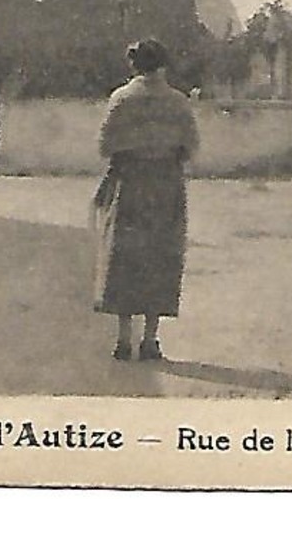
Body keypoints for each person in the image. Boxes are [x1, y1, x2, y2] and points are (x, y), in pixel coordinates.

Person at [93, 38, 199, 362]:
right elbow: (191, 146)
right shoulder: (179, 103)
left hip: (131, 183)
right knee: (160, 257)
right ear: (163, 65)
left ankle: (124, 340)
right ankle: (150, 340)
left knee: (125, 257)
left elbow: (105, 145)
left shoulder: (122, 99)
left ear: (134, 66)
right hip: (166, 183)